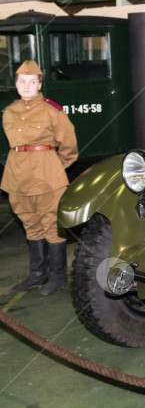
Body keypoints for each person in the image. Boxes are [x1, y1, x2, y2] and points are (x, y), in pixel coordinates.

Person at [3, 61, 78, 296]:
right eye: (22, 82)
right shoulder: (10, 111)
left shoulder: (51, 110)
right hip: (17, 175)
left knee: (51, 224)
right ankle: (37, 275)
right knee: (30, 224)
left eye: (32, 82)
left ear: (39, 84)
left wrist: (54, 167)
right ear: (16, 84)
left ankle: (58, 277)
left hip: (47, 176)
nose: (26, 86)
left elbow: (69, 146)